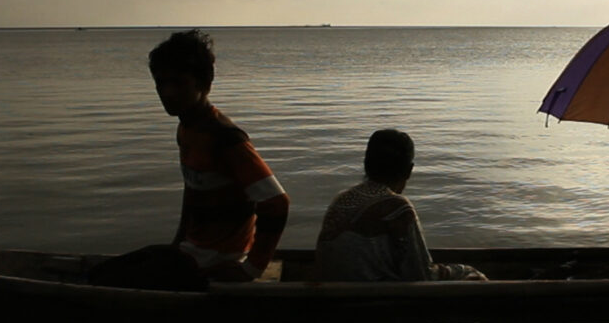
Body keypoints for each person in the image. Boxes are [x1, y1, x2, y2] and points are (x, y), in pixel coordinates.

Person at [91, 29, 289, 289]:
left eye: (178, 83)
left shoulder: (225, 137)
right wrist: (177, 244)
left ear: (204, 84)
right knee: (101, 272)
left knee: (105, 282)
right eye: (160, 83)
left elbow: (276, 202)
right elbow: (193, 193)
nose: (167, 92)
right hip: (192, 254)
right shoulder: (187, 129)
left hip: (217, 261)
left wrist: (251, 269)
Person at [315, 129, 486, 282]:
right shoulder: (397, 207)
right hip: (376, 300)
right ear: (409, 170)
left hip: (332, 298)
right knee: (472, 276)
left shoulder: (341, 200)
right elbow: (421, 275)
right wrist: (463, 270)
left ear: (366, 164)